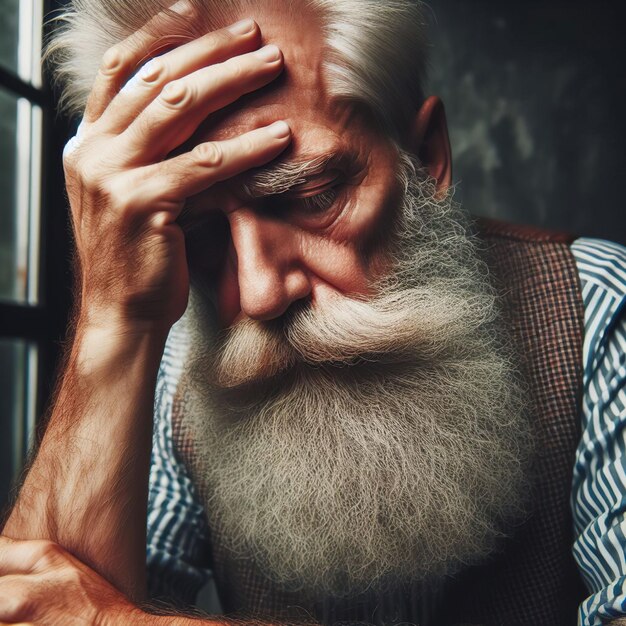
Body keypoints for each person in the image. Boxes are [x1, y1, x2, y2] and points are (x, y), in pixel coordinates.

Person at [0, 1, 625, 624]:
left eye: (313, 196)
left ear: (427, 159)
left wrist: (115, 621)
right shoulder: (171, 367)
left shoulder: (601, 305)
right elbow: (39, 600)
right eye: (203, 234)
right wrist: (113, 321)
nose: (260, 294)